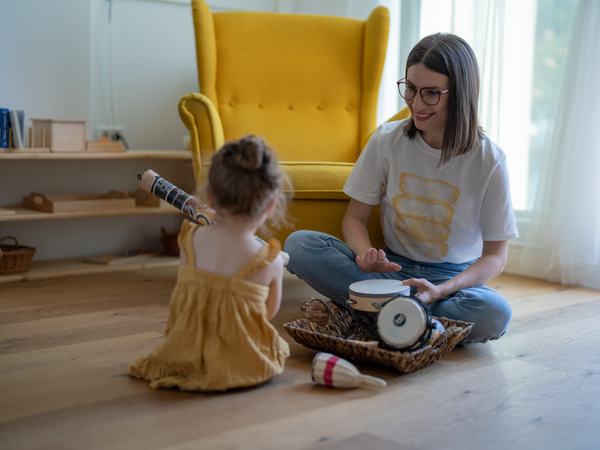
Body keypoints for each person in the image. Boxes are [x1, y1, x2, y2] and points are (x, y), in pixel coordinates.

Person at [284, 33, 518, 343]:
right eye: (410, 88)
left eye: (431, 93)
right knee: (300, 245)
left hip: (452, 281)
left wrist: (443, 290)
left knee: (494, 313)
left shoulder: (490, 160)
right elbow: (354, 218)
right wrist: (363, 255)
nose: (416, 103)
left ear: (460, 93)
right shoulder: (386, 140)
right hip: (391, 273)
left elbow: (495, 258)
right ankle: (410, 321)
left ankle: (380, 314)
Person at [129, 135, 291, 391]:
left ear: (210, 197)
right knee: (279, 347)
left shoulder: (189, 239)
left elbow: (185, 295)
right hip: (240, 359)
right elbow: (267, 314)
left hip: (186, 347)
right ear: (271, 206)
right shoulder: (270, 261)